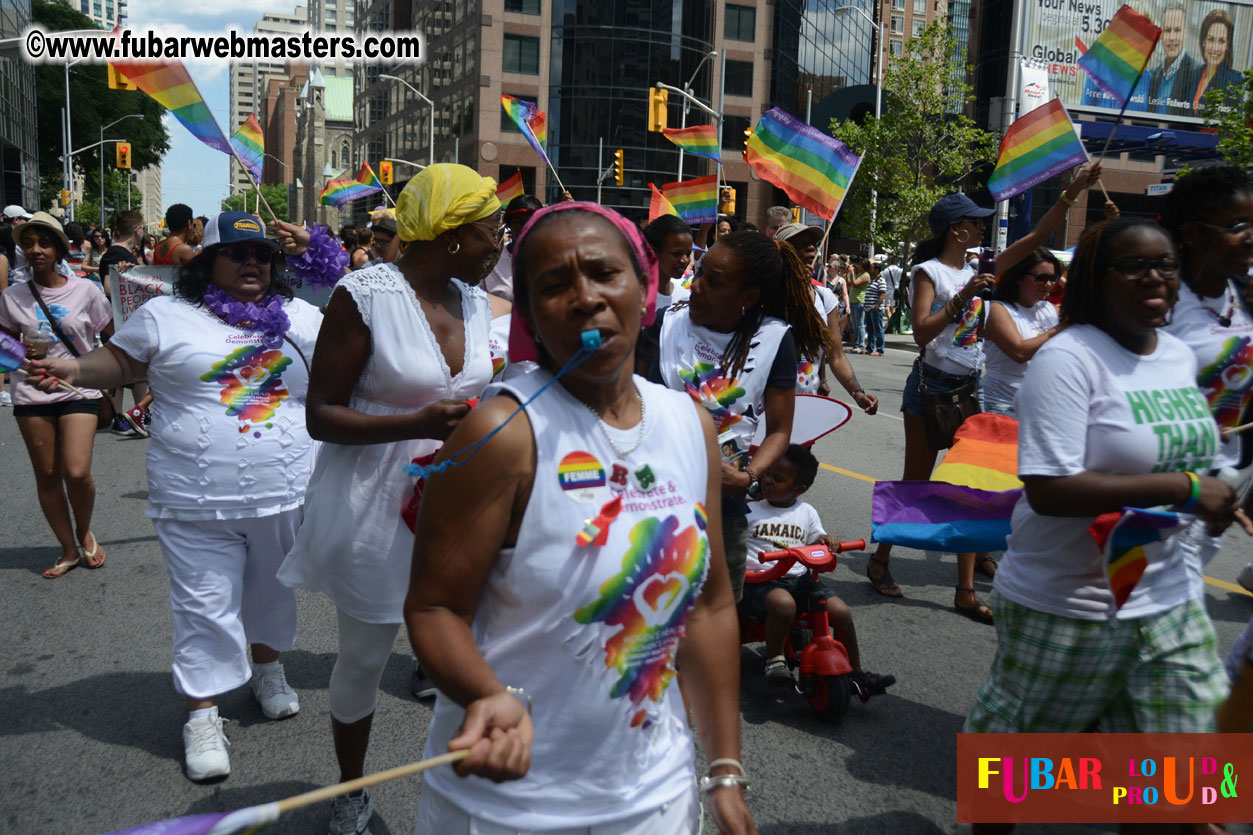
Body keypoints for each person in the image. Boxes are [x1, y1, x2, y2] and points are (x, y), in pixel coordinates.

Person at [405, 200, 754, 835]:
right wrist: (486, 695)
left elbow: (709, 607)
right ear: (531, 315)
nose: (586, 298)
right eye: (554, 285)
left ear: (644, 288)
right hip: (507, 809)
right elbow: (433, 608)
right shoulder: (503, 432)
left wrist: (724, 769)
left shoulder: (689, 424)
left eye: (604, 273)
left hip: (655, 801)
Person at [30, 210, 322, 780]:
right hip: (193, 499)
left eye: (262, 254)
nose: (252, 263)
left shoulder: (302, 317)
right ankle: (203, 715)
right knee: (204, 605)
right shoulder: (167, 314)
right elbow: (119, 362)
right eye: (237, 252)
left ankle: (267, 670)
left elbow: (356, 351)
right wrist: (71, 369)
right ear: (208, 261)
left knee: (271, 592)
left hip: (283, 494)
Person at [276, 163, 500, 835]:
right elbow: (321, 415)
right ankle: (351, 790)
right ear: (452, 234)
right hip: (373, 503)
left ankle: (466, 798)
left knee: (470, 654)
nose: (500, 243)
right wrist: (417, 422)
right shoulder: (364, 294)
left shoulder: (477, 301)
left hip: (457, 502)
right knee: (365, 659)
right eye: (492, 230)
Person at [965, 218, 1237, 744]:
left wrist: (1215, 493)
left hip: (1167, 596)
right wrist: (1185, 490)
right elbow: (1049, 489)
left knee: (1195, 770)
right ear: (1095, 278)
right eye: (1133, 266)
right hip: (1070, 604)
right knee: (1015, 768)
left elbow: (1171, 452)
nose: (1154, 276)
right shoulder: (1067, 358)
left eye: (1166, 265)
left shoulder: (1177, 356)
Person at [867, 164, 1105, 616]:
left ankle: (964, 589)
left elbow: (1037, 238)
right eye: (975, 222)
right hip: (930, 390)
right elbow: (921, 333)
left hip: (967, 390)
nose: (981, 228)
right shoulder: (929, 272)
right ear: (956, 229)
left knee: (969, 486)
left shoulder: (983, 266)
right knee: (917, 482)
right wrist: (963, 297)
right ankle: (880, 559)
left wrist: (1073, 190)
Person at [649, 231, 829, 605]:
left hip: (723, 508)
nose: (696, 287)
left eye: (713, 282)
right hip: (652, 500)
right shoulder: (662, 326)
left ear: (748, 298)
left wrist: (747, 477)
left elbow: (779, 431)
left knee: (716, 612)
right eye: (699, 272)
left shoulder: (775, 339)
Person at [1158, 164, 1253, 601]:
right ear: (1192, 232)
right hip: (1161, 493)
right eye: (1236, 226)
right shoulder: (1157, 303)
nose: (1250, 237)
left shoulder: (1243, 298)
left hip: (1222, 488)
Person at [0, 212, 113, 578]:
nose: (36, 250)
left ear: (60, 249)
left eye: (44, 243)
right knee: (48, 474)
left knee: (76, 472)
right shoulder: (12, 297)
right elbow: (4, 346)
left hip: (79, 388)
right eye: (29, 244)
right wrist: (22, 365)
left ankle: (84, 531)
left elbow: (113, 337)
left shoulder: (86, 291)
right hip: (32, 394)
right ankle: (67, 549)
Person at [742, 445, 895, 696]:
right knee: (783, 604)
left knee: (840, 611)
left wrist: (827, 540)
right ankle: (775, 660)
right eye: (768, 473)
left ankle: (855, 671)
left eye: (777, 479)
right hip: (762, 581)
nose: (768, 480)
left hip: (800, 581)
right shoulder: (750, 511)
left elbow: (818, 538)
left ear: (799, 489)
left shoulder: (806, 512)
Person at [981, 248, 1066, 417]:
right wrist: (1061, 327)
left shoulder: (1048, 308)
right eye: (1041, 278)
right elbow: (1019, 352)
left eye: (1053, 278)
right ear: (1019, 277)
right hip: (1004, 407)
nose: (1048, 284)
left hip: (1041, 407)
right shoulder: (998, 309)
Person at [482, 194, 543, 302]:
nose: (527, 227)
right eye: (520, 222)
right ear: (509, 224)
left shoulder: (552, 258)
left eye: (533, 222)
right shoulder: (490, 261)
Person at [1150, 3, 1200, 116]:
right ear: (1161, 34)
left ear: (1185, 34)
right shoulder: (1153, 75)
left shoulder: (1197, 73)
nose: (1172, 37)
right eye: (1167, 30)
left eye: (1177, 30)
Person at [1190, 9, 1240, 115]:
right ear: (1203, 41)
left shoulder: (1235, 82)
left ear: (1227, 45)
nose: (1215, 48)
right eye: (1211, 39)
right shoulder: (1193, 75)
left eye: (1222, 41)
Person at [862, 262, 887, 356]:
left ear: (877, 270)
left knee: (878, 329)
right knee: (870, 330)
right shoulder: (872, 280)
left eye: (872, 268)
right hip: (868, 308)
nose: (870, 270)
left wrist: (877, 305)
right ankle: (870, 348)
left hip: (876, 309)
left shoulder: (881, 281)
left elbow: (882, 294)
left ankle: (880, 350)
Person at [847, 258, 869, 353]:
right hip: (853, 300)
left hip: (859, 301)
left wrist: (852, 272)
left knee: (859, 324)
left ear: (864, 266)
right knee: (854, 324)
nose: (858, 266)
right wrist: (849, 272)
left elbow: (855, 284)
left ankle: (861, 345)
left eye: (860, 265)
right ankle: (856, 344)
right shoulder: (859, 274)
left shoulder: (865, 275)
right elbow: (850, 282)